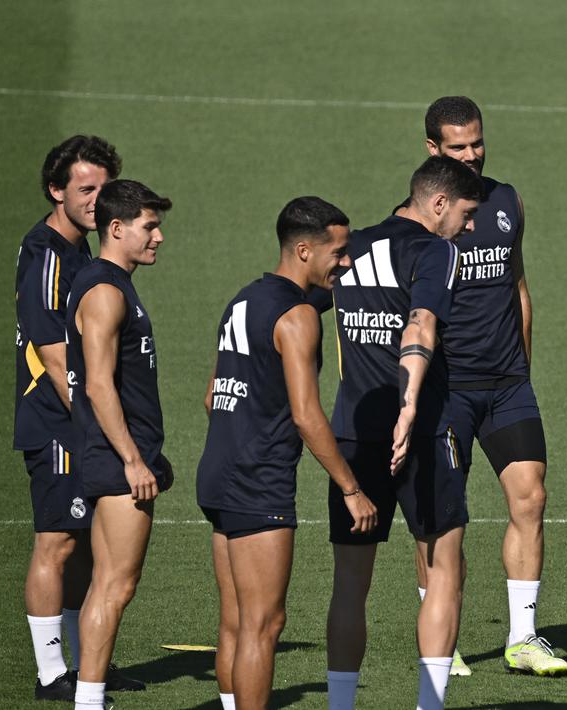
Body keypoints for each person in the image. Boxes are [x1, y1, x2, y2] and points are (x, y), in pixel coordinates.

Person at [196, 197, 378, 710]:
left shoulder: (245, 299)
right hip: (259, 481)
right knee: (264, 622)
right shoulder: (297, 318)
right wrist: (351, 488)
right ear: (304, 249)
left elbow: (212, 396)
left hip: (217, 472)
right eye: (338, 253)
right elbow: (307, 416)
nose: (345, 263)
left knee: (235, 619)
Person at [413, 96, 566, 677]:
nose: (473, 154)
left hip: (508, 386)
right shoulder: (418, 219)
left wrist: (522, 370)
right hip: (446, 390)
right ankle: (440, 640)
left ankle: (523, 638)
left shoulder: (507, 200)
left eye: (478, 142)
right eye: (458, 147)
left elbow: (518, 288)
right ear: (433, 150)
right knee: (442, 518)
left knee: (531, 496)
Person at [322, 155, 481, 710]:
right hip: (424, 433)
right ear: (438, 203)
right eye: (465, 213)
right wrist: (410, 404)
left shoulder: (351, 248)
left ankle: (340, 706)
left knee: (349, 584)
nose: (469, 226)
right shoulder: (436, 251)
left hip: (353, 433)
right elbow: (421, 323)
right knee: (443, 572)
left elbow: (294, 305)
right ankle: (429, 706)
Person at [14, 136, 143, 701]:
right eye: (85, 189)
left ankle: (83, 661)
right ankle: (50, 673)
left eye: (104, 189)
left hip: (81, 422)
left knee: (90, 545)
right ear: (55, 190)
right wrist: (101, 428)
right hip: (57, 421)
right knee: (58, 542)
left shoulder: (82, 254)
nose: (96, 200)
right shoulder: (46, 255)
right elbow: (54, 351)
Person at [65, 179, 173, 709]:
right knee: (117, 585)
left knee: (105, 583)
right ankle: (88, 699)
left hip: (120, 453)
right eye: (149, 226)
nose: (158, 237)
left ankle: (89, 695)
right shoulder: (106, 292)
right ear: (116, 228)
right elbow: (99, 384)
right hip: (117, 460)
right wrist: (134, 459)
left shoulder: (110, 283)